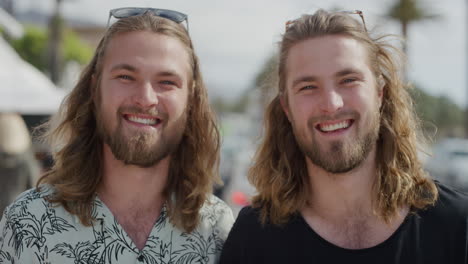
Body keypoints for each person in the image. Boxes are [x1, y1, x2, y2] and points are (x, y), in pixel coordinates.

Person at [220, 9, 468, 263]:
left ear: (380, 93)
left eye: (348, 79)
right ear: (287, 109)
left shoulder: (457, 225)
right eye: (308, 87)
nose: (331, 103)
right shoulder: (253, 239)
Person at [0, 8, 233, 264]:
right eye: (125, 76)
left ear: (191, 99)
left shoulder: (217, 230)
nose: (145, 98)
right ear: (94, 88)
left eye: (166, 82)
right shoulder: (28, 222)